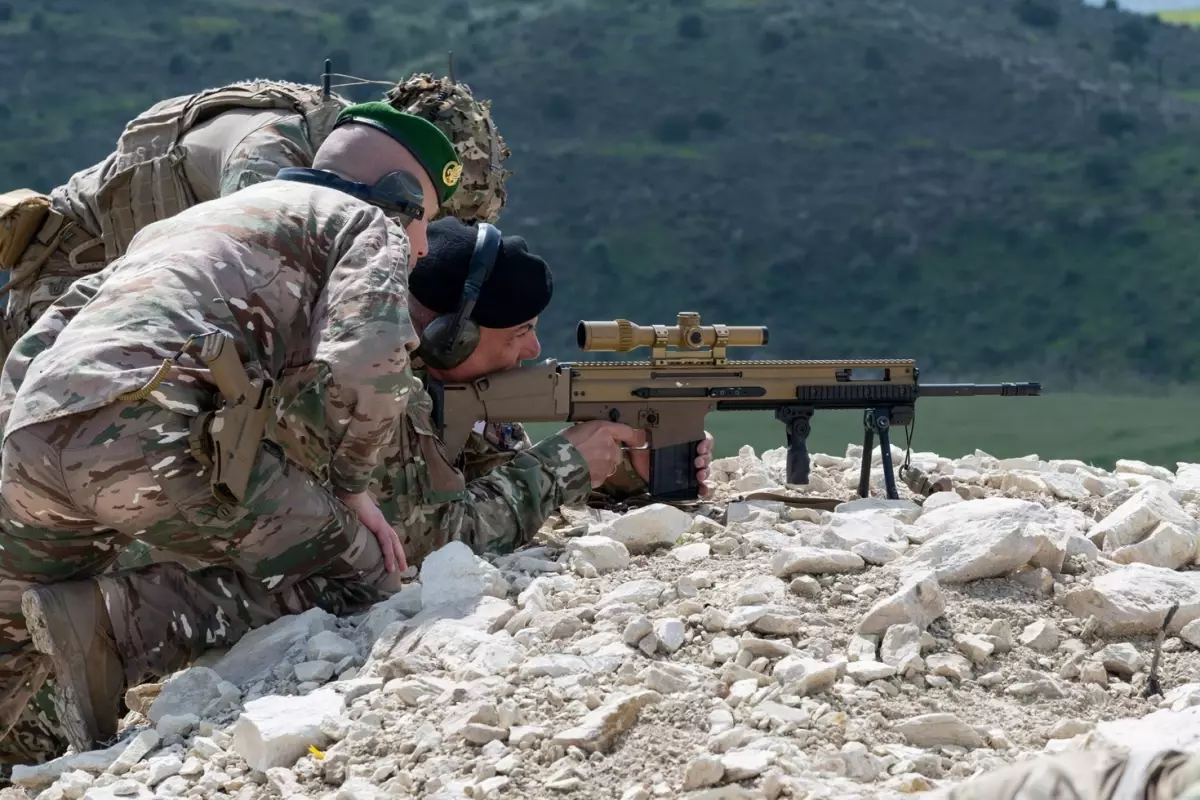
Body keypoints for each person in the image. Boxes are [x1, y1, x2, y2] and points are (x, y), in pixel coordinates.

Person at [0, 101, 479, 774]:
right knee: (364, 573)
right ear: (399, 198)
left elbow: (42, 336)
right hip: (152, 439)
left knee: (4, 632)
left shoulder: (184, 224)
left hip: (30, 440)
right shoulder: (367, 223)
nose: (423, 246)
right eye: (425, 219)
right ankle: (115, 621)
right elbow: (366, 362)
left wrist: (18, 442)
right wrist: (350, 489)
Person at [271, 216, 716, 567]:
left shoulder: (460, 389)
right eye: (520, 332)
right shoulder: (377, 390)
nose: (534, 349)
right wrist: (562, 466)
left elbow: (493, 483)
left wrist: (625, 468)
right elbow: (434, 543)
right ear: (452, 337)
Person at [0, 73, 510, 363]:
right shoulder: (272, 154)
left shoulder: (347, 157)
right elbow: (258, 286)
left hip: (143, 283)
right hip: (70, 278)